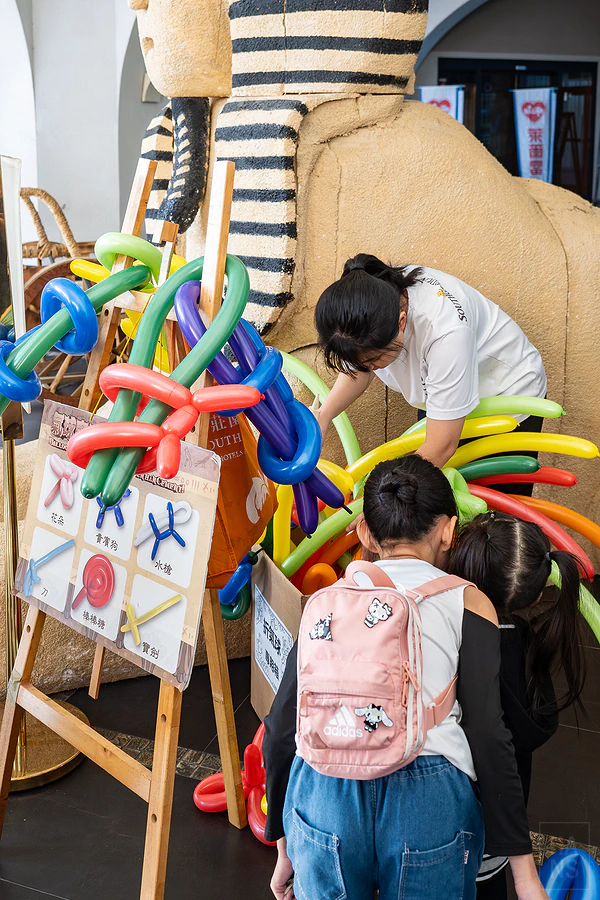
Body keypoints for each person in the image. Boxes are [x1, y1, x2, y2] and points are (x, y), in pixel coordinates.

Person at [264, 455, 550, 900]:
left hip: (324, 792)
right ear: (448, 529)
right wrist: (524, 874)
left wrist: (283, 842)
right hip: (427, 798)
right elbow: (489, 734)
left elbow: (282, 726)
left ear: (364, 532)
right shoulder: (470, 603)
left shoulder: (327, 603)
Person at [450, 511, 586, 899]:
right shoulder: (526, 650)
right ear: (538, 595)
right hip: (499, 835)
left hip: (441, 824)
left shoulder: (445, 635)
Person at [315, 255, 547, 473]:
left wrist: (379, 506)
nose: (366, 368)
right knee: (438, 489)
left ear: (401, 322)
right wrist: (323, 417)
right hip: (440, 389)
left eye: (374, 361)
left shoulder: (445, 334)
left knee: (496, 510)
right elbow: (359, 366)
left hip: (505, 393)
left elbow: (441, 446)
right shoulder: (370, 301)